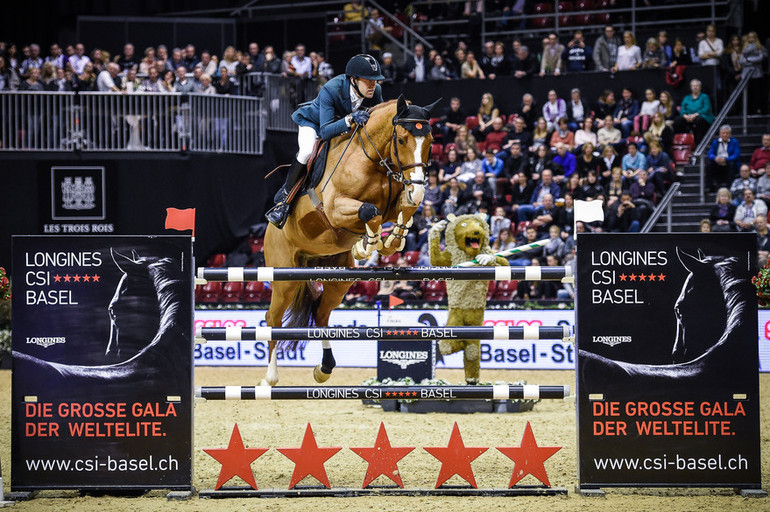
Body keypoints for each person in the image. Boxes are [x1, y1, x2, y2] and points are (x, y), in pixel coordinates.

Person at [266, 54, 385, 228]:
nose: (373, 85)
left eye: (375, 81)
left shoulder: (376, 92)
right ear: (353, 80)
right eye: (368, 80)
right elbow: (326, 130)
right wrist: (350, 119)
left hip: (342, 126)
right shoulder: (332, 89)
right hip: (313, 123)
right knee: (307, 151)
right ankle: (284, 199)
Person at [672, 78, 713, 144]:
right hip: (688, 117)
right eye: (693, 86)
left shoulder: (705, 97)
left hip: (701, 116)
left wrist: (695, 115)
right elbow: (683, 109)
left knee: (698, 120)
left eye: (697, 86)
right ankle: (682, 141)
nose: (695, 87)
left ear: (700, 87)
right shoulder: (687, 97)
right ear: (691, 87)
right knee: (678, 120)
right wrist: (685, 116)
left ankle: (699, 143)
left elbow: (706, 108)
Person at [706, 124, 740, 192]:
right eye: (723, 133)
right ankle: (709, 187)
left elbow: (736, 154)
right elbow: (710, 153)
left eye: (727, 133)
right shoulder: (715, 142)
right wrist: (715, 158)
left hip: (728, 161)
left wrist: (726, 159)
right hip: (717, 161)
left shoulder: (734, 142)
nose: (725, 135)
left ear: (730, 134)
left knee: (732, 164)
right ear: (720, 134)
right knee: (709, 164)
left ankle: (729, 186)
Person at [740, 32, 767, 115]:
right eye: (750, 37)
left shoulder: (760, 47)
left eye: (753, 37)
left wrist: (748, 60)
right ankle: (748, 111)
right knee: (748, 93)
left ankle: (758, 109)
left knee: (757, 93)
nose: (751, 39)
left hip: (757, 73)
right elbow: (741, 61)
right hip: (747, 74)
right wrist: (753, 61)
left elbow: (761, 58)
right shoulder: (745, 47)